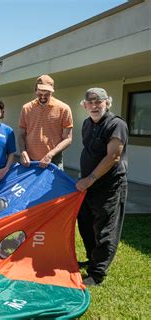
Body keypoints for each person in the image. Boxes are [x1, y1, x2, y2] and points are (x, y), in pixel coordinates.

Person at [75, 88, 128, 287]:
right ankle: (91, 258)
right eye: (91, 102)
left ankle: (97, 273)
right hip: (89, 185)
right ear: (85, 105)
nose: (95, 106)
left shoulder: (116, 125)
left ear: (108, 103)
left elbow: (113, 156)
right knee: (86, 224)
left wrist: (89, 179)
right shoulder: (87, 123)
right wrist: (84, 178)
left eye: (99, 102)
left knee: (105, 229)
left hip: (108, 185)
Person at [18, 75, 73, 169]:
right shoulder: (26, 108)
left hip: (53, 160)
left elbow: (68, 139)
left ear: (52, 91)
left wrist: (50, 154)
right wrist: (23, 152)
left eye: (47, 94)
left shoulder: (64, 109)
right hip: (30, 160)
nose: (43, 97)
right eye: (40, 94)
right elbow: (21, 135)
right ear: (35, 91)